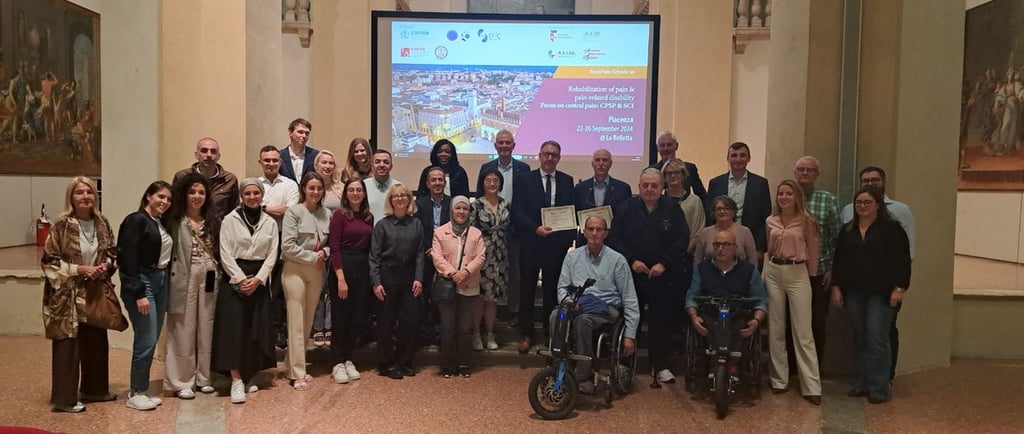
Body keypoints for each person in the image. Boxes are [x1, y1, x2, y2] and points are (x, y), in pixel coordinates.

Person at [41, 176, 119, 413]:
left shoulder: (102, 222)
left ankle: (95, 390)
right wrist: (79, 269)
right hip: (67, 294)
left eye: (90, 192)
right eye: (80, 192)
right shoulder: (62, 225)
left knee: (96, 341)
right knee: (68, 345)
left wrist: (106, 266)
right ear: (71, 198)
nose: (86, 196)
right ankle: (64, 399)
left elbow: (112, 252)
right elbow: (49, 261)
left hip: (94, 291)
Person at [608, 168, 689, 384]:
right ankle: (626, 362)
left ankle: (660, 364)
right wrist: (631, 260)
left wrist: (664, 263)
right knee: (630, 318)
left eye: (654, 185)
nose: (650, 189)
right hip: (632, 274)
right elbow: (615, 238)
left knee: (661, 321)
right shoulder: (626, 208)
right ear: (639, 187)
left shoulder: (673, 209)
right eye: (645, 185)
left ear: (662, 187)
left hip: (663, 275)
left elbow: (682, 240)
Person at [831, 186, 911, 404]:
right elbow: (839, 260)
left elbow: (903, 260)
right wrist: (836, 287)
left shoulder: (892, 229)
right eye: (859, 202)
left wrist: (900, 288)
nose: (862, 206)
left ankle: (878, 387)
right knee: (860, 337)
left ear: (878, 204)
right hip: (854, 292)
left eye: (867, 202)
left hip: (882, 293)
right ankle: (861, 383)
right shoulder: (848, 229)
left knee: (877, 337)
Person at [551, 216, 639, 395]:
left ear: (606, 234)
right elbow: (562, 287)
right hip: (578, 304)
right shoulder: (572, 257)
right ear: (584, 232)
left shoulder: (617, 260)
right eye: (590, 229)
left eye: (599, 229)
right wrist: (567, 301)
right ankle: (560, 369)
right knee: (556, 316)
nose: (594, 233)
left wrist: (630, 335)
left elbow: (629, 297)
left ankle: (583, 375)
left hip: (606, 309)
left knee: (582, 321)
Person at [212, 179, 279, 404]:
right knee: (234, 330)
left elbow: (272, 254)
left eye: (256, 193)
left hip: (259, 278)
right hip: (235, 278)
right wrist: (241, 279)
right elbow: (225, 252)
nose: (252, 197)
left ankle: (251, 375)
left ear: (262, 195)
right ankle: (236, 380)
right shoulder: (229, 220)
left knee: (255, 329)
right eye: (248, 193)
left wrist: (259, 279)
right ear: (241, 196)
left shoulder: (270, 222)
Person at [512, 140, 576, 354]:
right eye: (546, 154)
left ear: (559, 158)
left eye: (554, 155)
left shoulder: (567, 180)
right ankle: (526, 333)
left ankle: (551, 333)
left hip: (555, 245)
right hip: (531, 242)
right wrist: (535, 229)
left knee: (552, 290)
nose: (550, 158)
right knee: (527, 288)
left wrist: (568, 239)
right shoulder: (525, 179)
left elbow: (570, 211)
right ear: (539, 156)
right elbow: (517, 210)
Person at [764, 179, 822, 405]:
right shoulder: (770, 220)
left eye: (789, 193)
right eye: (781, 193)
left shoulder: (807, 221)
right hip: (774, 272)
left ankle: (811, 386)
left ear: (797, 196)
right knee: (776, 328)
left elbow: (813, 252)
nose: (784, 197)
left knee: (803, 331)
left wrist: (811, 277)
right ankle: (779, 380)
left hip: (798, 273)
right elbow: (768, 249)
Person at [163, 173, 220, 399]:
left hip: (210, 275)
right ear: (184, 195)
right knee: (183, 327)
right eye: (192, 192)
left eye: (201, 192)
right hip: (183, 276)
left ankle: (204, 377)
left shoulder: (213, 220)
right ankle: (181, 380)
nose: (197, 196)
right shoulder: (175, 221)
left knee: (207, 326)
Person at [117, 180, 173, 411]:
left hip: (161, 280)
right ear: (149, 196)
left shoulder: (160, 222)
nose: (165, 202)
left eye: (168, 199)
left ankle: (143, 388)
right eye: (160, 196)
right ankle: (136, 391)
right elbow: (127, 258)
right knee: (146, 339)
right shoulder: (136, 220)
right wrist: (138, 292)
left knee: (152, 337)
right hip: (143, 281)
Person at [685, 230, 767, 378]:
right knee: (708, 322)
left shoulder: (749, 270)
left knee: (740, 323)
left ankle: (734, 364)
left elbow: (760, 299)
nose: (721, 249)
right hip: (710, 311)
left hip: (738, 312)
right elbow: (692, 296)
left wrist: (756, 321)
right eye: (717, 245)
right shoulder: (702, 269)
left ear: (735, 248)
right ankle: (713, 363)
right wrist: (693, 317)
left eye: (726, 245)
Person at [280, 172, 331, 391]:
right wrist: (313, 257)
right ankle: (297, 373)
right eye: (311, 188)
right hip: (295, 270)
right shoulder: (294, 212)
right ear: (304, 189)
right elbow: (287, 246)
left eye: (319, 188)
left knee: (308, 321)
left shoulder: (327, 213)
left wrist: (325, 253)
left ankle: (291, 363)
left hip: (317, 271)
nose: (315, 192)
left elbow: (331, 243)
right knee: (296, 320)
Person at [370, 184, 425, 379]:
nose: (400, 199)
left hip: (410, 277)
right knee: (386, 321)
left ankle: (405, 361)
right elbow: (374, 256)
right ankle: (387, 363)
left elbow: (420, 254)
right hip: (387, 276)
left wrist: (419, 278)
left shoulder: (416, 224)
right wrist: (376, 282)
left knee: (410, 320)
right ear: (391, 200)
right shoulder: (382, 225)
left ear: (409, 199)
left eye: (404, 195)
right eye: (396, 196)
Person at [476, 129, 530, 321]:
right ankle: (490, 312)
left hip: (516, 228)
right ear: (495, 145)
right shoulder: (486, 167)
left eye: (508, 143)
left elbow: (526, 199)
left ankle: (512, 310)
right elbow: (479, 196)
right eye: (501, 143)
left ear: (514, 146)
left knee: (515, 272)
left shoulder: (524, 168)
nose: (505, 146)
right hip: (490, 231)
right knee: (488, 272)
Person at [432, 196, 487, 378]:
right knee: (447, 328)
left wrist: (465, 272)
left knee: (465, 328)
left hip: (469, 285)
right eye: (458, 208)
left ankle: (464, 363)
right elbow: (437, 257)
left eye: (465, 208)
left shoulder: (476, 233)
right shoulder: (440, 232)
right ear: (451, 210)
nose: (461, 212)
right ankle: (448, 364)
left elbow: (481, 256)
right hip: (447, 285)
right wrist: (453, 274)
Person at [793, 156, 840, 368]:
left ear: (816, 174)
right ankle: (793, 370)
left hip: (819, 272)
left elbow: (835, 237)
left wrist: (832, 268)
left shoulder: (828, 200)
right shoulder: (786, 196)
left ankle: (813, 370)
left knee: (817, 322)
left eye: (809, 170)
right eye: (801, 169)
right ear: (795, 172)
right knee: (791, 322)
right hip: (792, 272)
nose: (805, 173)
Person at [327, 178, 374, 384]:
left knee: (356, 317)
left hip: (362, 268)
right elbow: (334, 248)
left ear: (364, 194)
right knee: (341, 317)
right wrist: (340, 278)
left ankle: (349, 359)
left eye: (359, 190)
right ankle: (337, 361)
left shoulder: (368, 217)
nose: (355, 193)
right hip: (342, 268)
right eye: (351, 190)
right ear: (346, 193)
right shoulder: (339, 215)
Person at [256, 145, 299, 349]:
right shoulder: (255, 184)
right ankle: (263, 328)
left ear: (280, 162)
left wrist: (262, 208)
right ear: (260, 162)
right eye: (267, 160)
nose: (271, 164)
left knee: (280, 286)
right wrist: (269, 209)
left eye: (274, 160)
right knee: (261, 283)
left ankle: (279, 330)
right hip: (259, 238)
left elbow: (290, 211)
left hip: (284, 237)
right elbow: (249, 207)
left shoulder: (290, 185)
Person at [469, 168, 511, 351]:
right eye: (488, 180)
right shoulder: (476, 205)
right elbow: (470, 232)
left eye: (496, 180)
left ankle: (490, 333)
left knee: (493, 298)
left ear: (500, 183)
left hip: (501, 257)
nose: (492, 183)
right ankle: (476, 334)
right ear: (482, 183)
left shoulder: (506, 204)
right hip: (481, 257)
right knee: (479, 297)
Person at [706, 142, 772, 257]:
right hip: (720, 242)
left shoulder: (760, 184)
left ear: (749, 158)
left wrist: (760, 248)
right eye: (734, 155)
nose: (738, 159)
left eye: (742, 155)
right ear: (728, 158)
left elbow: (765, 217)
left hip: (750, 242)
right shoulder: (715, 183)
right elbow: (710, 214)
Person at [414, 167, 451, 347]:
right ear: (428, 184)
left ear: (445, 182)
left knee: (444, 296)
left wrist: (440, 252)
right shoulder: (419, 204)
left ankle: (440, 332)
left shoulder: (452, 203)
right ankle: (424, 331)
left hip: (447, 257)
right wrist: (430, 249)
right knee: (425, 295)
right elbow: (417, 230)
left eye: (440, 180)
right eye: (433, 180)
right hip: (425, 256)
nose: (437, 183)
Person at [311, 149, 343, 346]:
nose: (328, 166)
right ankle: (317, 326)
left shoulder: (341, 189)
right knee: (317, 285)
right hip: (316, 243)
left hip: (337, 242)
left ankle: (330, 325)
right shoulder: (311, 187)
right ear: (316, 165)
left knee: (332, 285)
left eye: (331, 163)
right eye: (324, 162)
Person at [574, 148, 632, 245]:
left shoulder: (623, 188)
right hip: (586, 241)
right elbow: (576, 215)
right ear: (592, 164)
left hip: (613, 241)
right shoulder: (580, 188)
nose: (601, 164)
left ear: (611, 163)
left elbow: (626, 218)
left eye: (605, 160)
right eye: (597, 160)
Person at [172, 137, 239, 219]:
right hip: (187, 225)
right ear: (196, 155)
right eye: (204, 151)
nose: (209, 155)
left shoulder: (229, 180)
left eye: (213, 151)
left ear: (218, 156)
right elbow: (175, 206)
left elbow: (233, 211)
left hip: (219, 226)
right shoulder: (182, 176)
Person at [691, 196, 758, 264]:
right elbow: (697, 260)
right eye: (719, 209)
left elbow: (753, 260)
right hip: (709, 270)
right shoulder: (705, 233)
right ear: (714, 212)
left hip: (740, 270)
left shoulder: (745, 232)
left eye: (727, 209)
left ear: (734, 212)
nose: (722, 211)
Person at [652, 130, 706, 202]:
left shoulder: (690, 168)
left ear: (676, 146)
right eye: (662, 145)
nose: (666, 148)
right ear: (657, 148)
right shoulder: (651, 171)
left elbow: (701, 195)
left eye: (669, 145)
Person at [662, 158, 706, 245]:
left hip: (688, 250)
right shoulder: (659, 200)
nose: (673, 175)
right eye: (669, 173)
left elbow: (697, 232)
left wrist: (684, 251)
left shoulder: (695, 201)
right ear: (664, 177)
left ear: (683, 175)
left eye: (677, 172)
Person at [364, 149, 402, 225]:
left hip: (393, 231)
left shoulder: (399, 187)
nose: (382, 165)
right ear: (372, 166)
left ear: (391, 166)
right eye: (377, 162)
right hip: (368, 230)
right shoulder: (363, 186)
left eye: (386, 162)